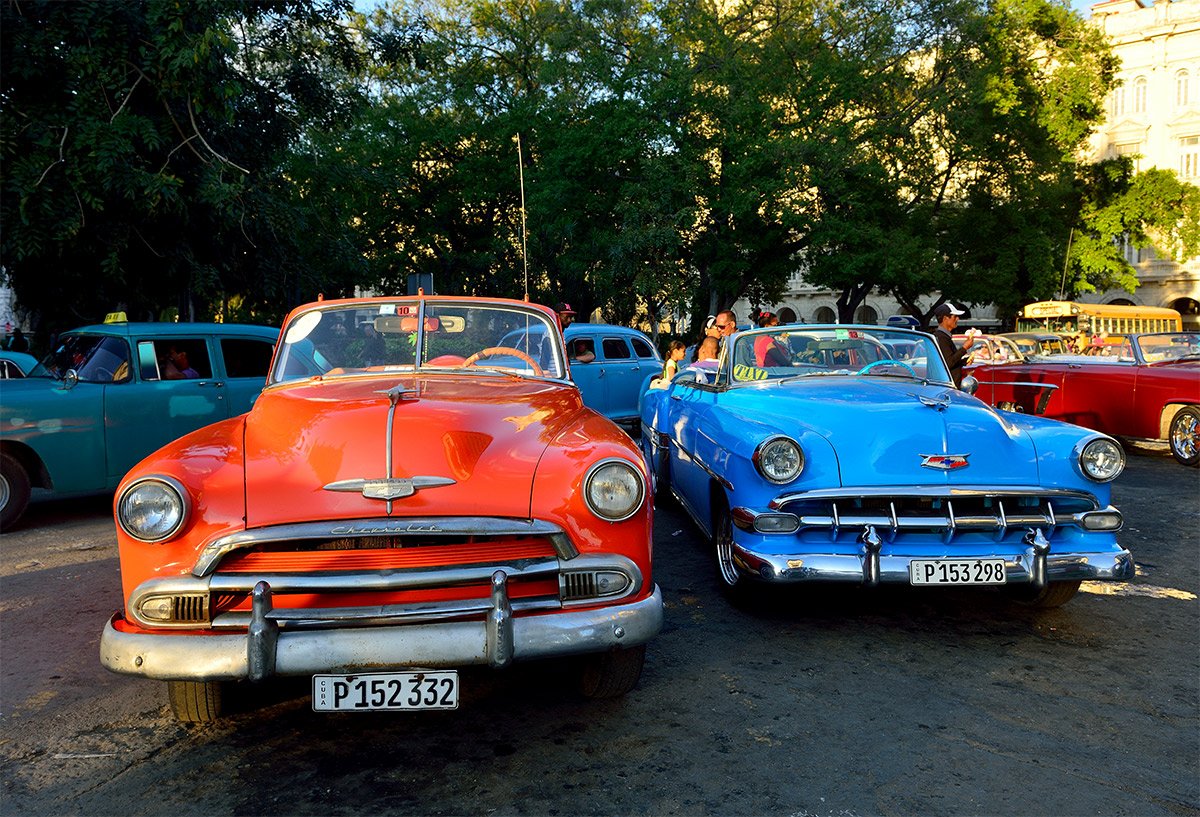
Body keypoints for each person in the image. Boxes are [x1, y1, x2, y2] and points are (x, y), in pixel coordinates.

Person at [933, 302, 974, 388]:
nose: (957, 319)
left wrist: (964, 361)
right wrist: (964, 348)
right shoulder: (941, 337)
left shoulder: (944, 337)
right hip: (947, 388)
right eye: (955, 316)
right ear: (945, 318)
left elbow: (950, 361)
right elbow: (948, 362)